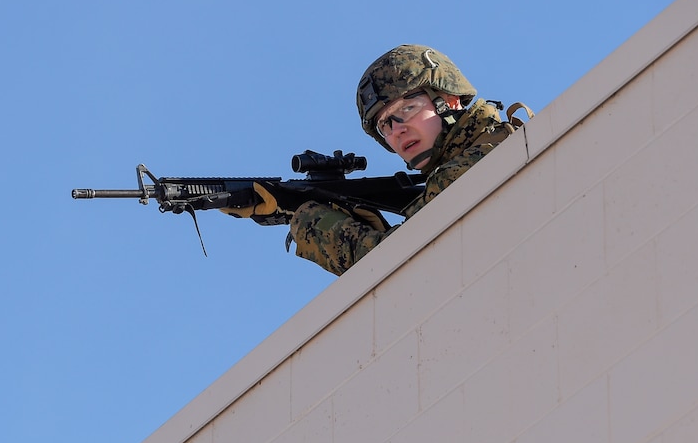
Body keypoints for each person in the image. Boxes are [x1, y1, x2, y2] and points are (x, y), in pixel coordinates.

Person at [227, 44, 530, 276]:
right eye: (385, 124)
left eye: (408, 108)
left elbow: (403, 271)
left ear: (448, 99)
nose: (397, 129)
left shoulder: (474, 163)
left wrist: (314, 226)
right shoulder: (489, 145)